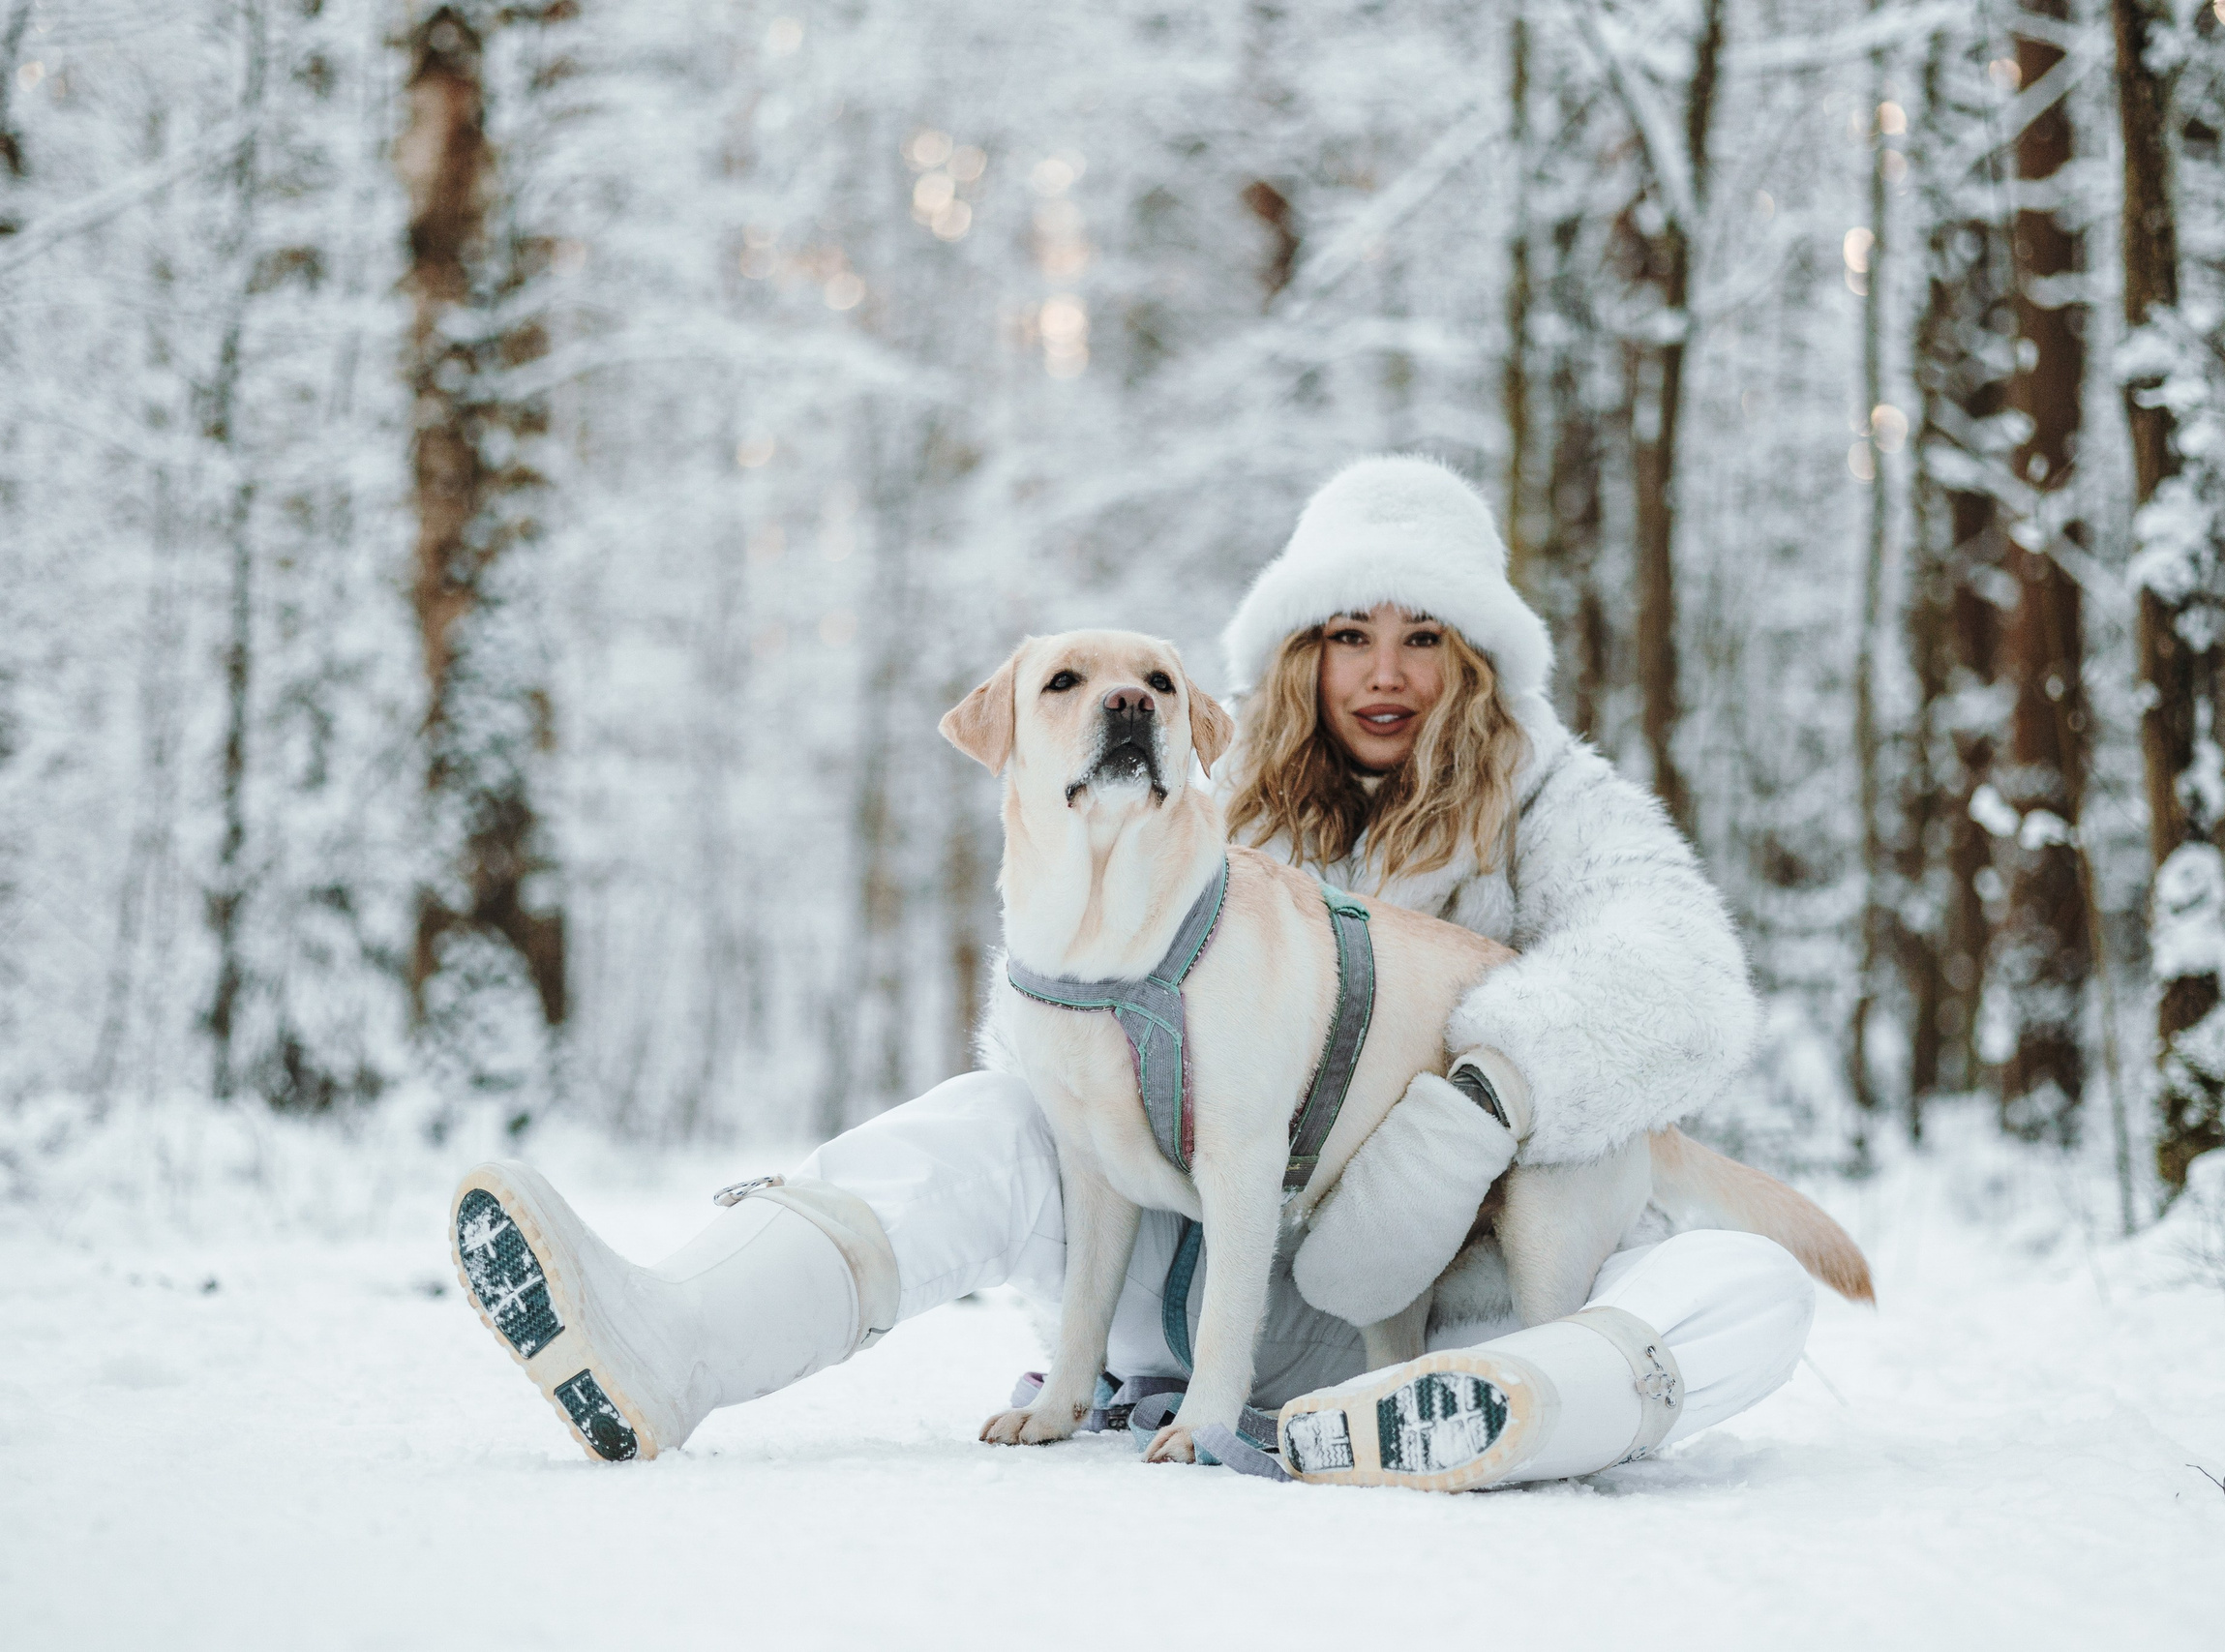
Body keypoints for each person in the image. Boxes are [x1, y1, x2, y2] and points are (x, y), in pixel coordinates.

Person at [450, 455, 1817, 1488]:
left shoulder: (1553, 803)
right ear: (1299, 650)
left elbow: (1679, 973)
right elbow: (1083, 1020)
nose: (1385, 673)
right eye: (1350, 633)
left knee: (1750, 1279)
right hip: (1217, 1290)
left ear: (1478, 661)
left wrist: (1495, 1083)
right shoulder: (1203, 790)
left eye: (1426, 639)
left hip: (1453, 1295)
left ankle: (1516, 1416)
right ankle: (679, 1340)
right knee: (996, 1120)